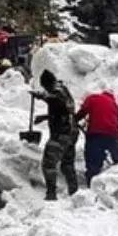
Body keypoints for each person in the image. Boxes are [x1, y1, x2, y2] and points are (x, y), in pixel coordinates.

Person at [31, 69, 79, 200]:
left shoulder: (57, 91)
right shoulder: (64, 90)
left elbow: (56, 100)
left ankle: (51, 193)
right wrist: (45, 117)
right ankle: (74, 193)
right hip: (71, 132)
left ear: (47, 84)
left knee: (48, 164)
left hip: (61, 134)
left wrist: (41, 96)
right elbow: (63, 110)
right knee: (67, 164)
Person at [76, 87, 118, 186]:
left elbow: (83, 110)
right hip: (115, 136)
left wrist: (75, 119)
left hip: (96, 134)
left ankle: (92, 188)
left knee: (93, 164)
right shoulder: (115, 105)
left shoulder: (93, 98)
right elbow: (117, 119)